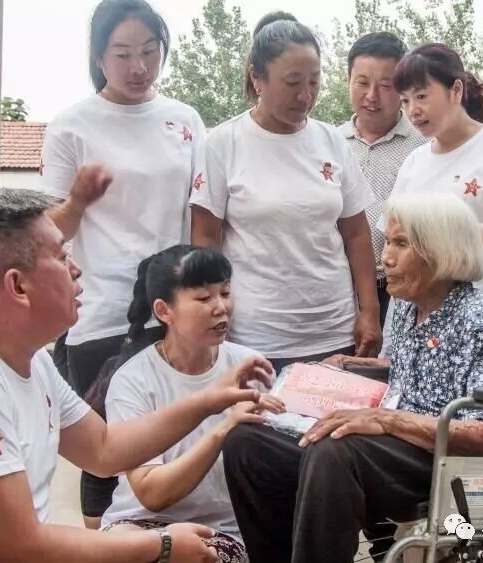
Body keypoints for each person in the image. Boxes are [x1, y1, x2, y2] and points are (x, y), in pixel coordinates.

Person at [0, 189, 273, 563]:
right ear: (18, 286)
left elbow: (103, 449)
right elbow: (20, 548)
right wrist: (163, 545)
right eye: (62, 257)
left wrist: (211, 399)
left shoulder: (28, 357)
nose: (76, 269)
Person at [222, 192, 483, 563]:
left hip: (457, 465)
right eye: (388, 243)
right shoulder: (409, 306)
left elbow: (480, 435)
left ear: (441, 250)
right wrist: (344, 364)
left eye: (401, 244)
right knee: (249, 442)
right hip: (404, 446)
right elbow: (405, 368)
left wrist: (385, 420)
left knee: (336, 447)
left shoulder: (477, 317)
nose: (386, 257)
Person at [38, 0, 207, 527]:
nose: (139, 66)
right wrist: (78, 201)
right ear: (98, 56)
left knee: (177, 444)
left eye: (150, 51)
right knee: (108, 454)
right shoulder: (71, 126)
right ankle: (102, 548)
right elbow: (49, 231)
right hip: (106, 315)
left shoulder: (185, 119)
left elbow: (203, 212)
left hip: (177, 309)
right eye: (123, 53)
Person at [190, 13, 381, 373]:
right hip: (257, 335)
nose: (305, 95)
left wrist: (369, 311)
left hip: (336, 330)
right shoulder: (223, 144)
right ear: (257, 78)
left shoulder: (332, 142)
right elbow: (205, 240)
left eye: (314, 81)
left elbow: (356, 234)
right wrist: (211, 315)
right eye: (292, 82)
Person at [97, 245, 284, 563]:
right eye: (203, 298)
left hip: (221, 530)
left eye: (225, 293)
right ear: (163, 311)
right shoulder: (133, 380)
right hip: (139, 523)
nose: (221, 307)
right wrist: (224, 429)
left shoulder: (251, 366)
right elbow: (152, 494)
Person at [389, 42, 483, 291]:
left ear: (456, 90)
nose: (412, 111)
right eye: (404, 101)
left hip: (478, 303)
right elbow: (393, 234)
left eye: (421, 96)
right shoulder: (414, 161)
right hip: (415, 304)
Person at [340, 32, 427, 325]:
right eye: (362, 82)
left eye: (385, 85)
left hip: (399, 290)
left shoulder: (424, 147)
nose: (371, 95)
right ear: (348, 80)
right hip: (338, 289)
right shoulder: (329, 144)